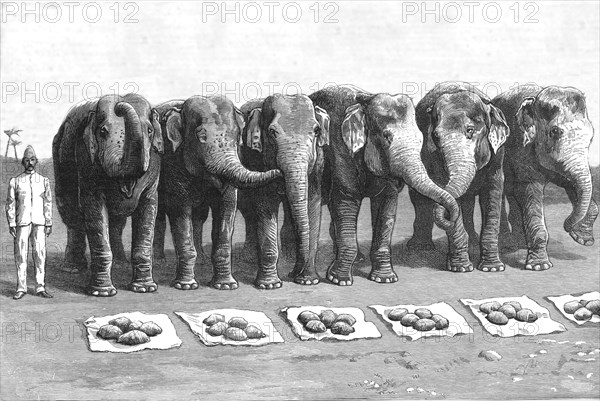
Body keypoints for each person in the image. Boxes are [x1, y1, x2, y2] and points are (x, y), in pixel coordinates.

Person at [5, 145, 53, 299]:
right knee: (21, 255)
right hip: (22, 223)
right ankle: (21, 288)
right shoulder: (15, 181)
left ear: (36, 161)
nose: (30, 163)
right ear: (23, 163)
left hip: (39, 222)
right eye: (27, 160)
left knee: (40, 254)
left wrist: (49, 221)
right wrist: (12, 223)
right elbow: (10, 204)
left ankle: (40, 287)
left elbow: (48, 202)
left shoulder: (44, 181)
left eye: (32, 160)